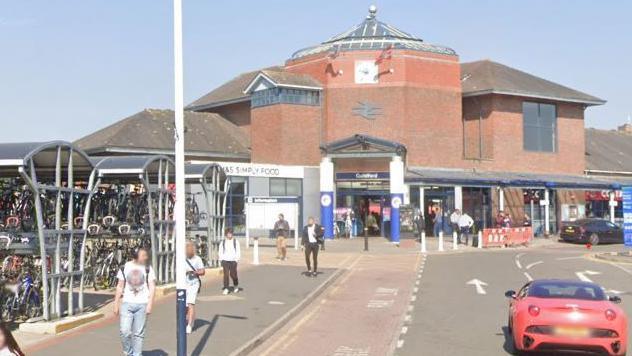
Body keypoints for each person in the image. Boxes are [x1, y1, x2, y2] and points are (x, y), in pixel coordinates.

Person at [114, 247, 156, 356]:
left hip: (142, 303)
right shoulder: (125, 267)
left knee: (138, 334)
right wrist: (116, 304)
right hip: (127, 303)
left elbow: (152, 286)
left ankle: (137, 354)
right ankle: (128, 352)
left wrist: (150, 303)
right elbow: (120, 286)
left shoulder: (147, 268)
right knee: (125, 331)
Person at [185, 241, 205, 334]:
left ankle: (189, 325)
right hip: (184, 284)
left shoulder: (197, 259)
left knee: (190, 303)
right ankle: (191, 320)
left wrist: (194, 272)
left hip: (194, 284)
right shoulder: (183, 259)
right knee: (185, 306)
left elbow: (202, 271)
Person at [219, 228, 241, 295]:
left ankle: (236, 285)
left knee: (233, 274)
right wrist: (221, 259)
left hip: (233, 260)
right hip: (225, 260)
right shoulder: (223, 242)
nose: (230, 235)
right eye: (228, 233)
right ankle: (226, 288)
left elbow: (238, 251)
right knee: (226, 275)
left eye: (231, 233)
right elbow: (220, 251)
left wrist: (236, 260)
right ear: (226, 234)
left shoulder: (235, 241)